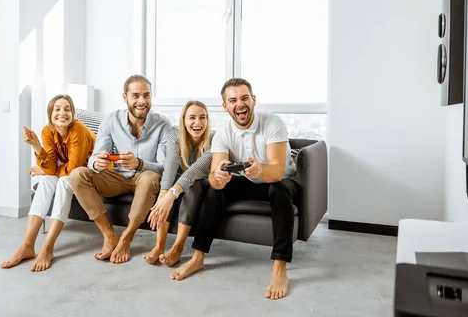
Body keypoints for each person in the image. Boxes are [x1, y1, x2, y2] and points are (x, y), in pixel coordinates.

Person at [170, 78, 299, 301]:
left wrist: (260, 171)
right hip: (247, 181)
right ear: (225, 107)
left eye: (244, 98)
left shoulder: (272, 123)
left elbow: (277, 171)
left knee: (279, 191)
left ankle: (280, 267)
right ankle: (198, 256)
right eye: (233, 100)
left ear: (253, 100)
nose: (239, 104)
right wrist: (218, 177)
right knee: (213, 190)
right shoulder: (223, 133)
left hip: (279, 181)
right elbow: (214, 176)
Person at [69, 75, 171, 264]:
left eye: (147, 95)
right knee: (77, 175)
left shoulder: (163, 125)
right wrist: (96, 163)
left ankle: (126, 237)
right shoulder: (111, 120)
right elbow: (96, 156)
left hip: (145, 178)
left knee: (149, 177)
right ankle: (109, 236)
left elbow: (164, 167)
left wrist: (139, 163)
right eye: (136, 96)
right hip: (116, 178)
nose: (142, 101)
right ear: (125, 97)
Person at [1, 94, 96, 272]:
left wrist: (44, 169)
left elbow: (73, 169)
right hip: (71, 173)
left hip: (90, 174)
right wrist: (36, 145)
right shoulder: (47, 131)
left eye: (67, 109)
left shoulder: (79, 130)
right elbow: (52, 167)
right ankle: (27, 246)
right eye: (57, 109)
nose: (62, 113)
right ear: (50, 113)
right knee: (46, 181)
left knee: (63, 182)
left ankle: (48, 247)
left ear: (73, 113)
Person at [143, 101, 213, 266]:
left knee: (194, 186)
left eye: (203, 117)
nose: (198, 123)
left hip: (199, 182)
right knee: (166, 189)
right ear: (183, 120)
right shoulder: (175, 134)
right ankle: (159, 246)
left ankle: (177, 248)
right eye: (192, 118)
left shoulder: (215, 140)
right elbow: (170, 167)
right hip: (176, 181)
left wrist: (171, 195)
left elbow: (195, 171)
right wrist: (164, 197)